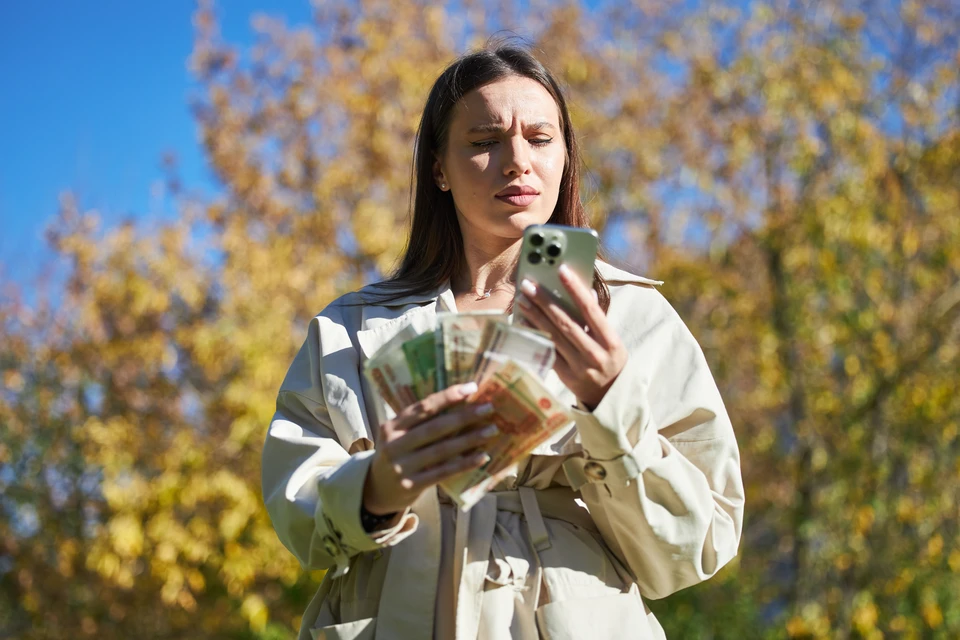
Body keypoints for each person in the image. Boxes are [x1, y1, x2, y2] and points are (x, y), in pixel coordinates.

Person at [262, 42, 744, 640]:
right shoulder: (348, 329)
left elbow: (698, 545)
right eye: (485, 141)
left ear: (565, 157)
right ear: (439, 169)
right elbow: (296, 516)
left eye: (540, 138)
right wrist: (379, 484)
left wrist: (610, 408)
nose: (517, 161)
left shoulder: (633, 317)